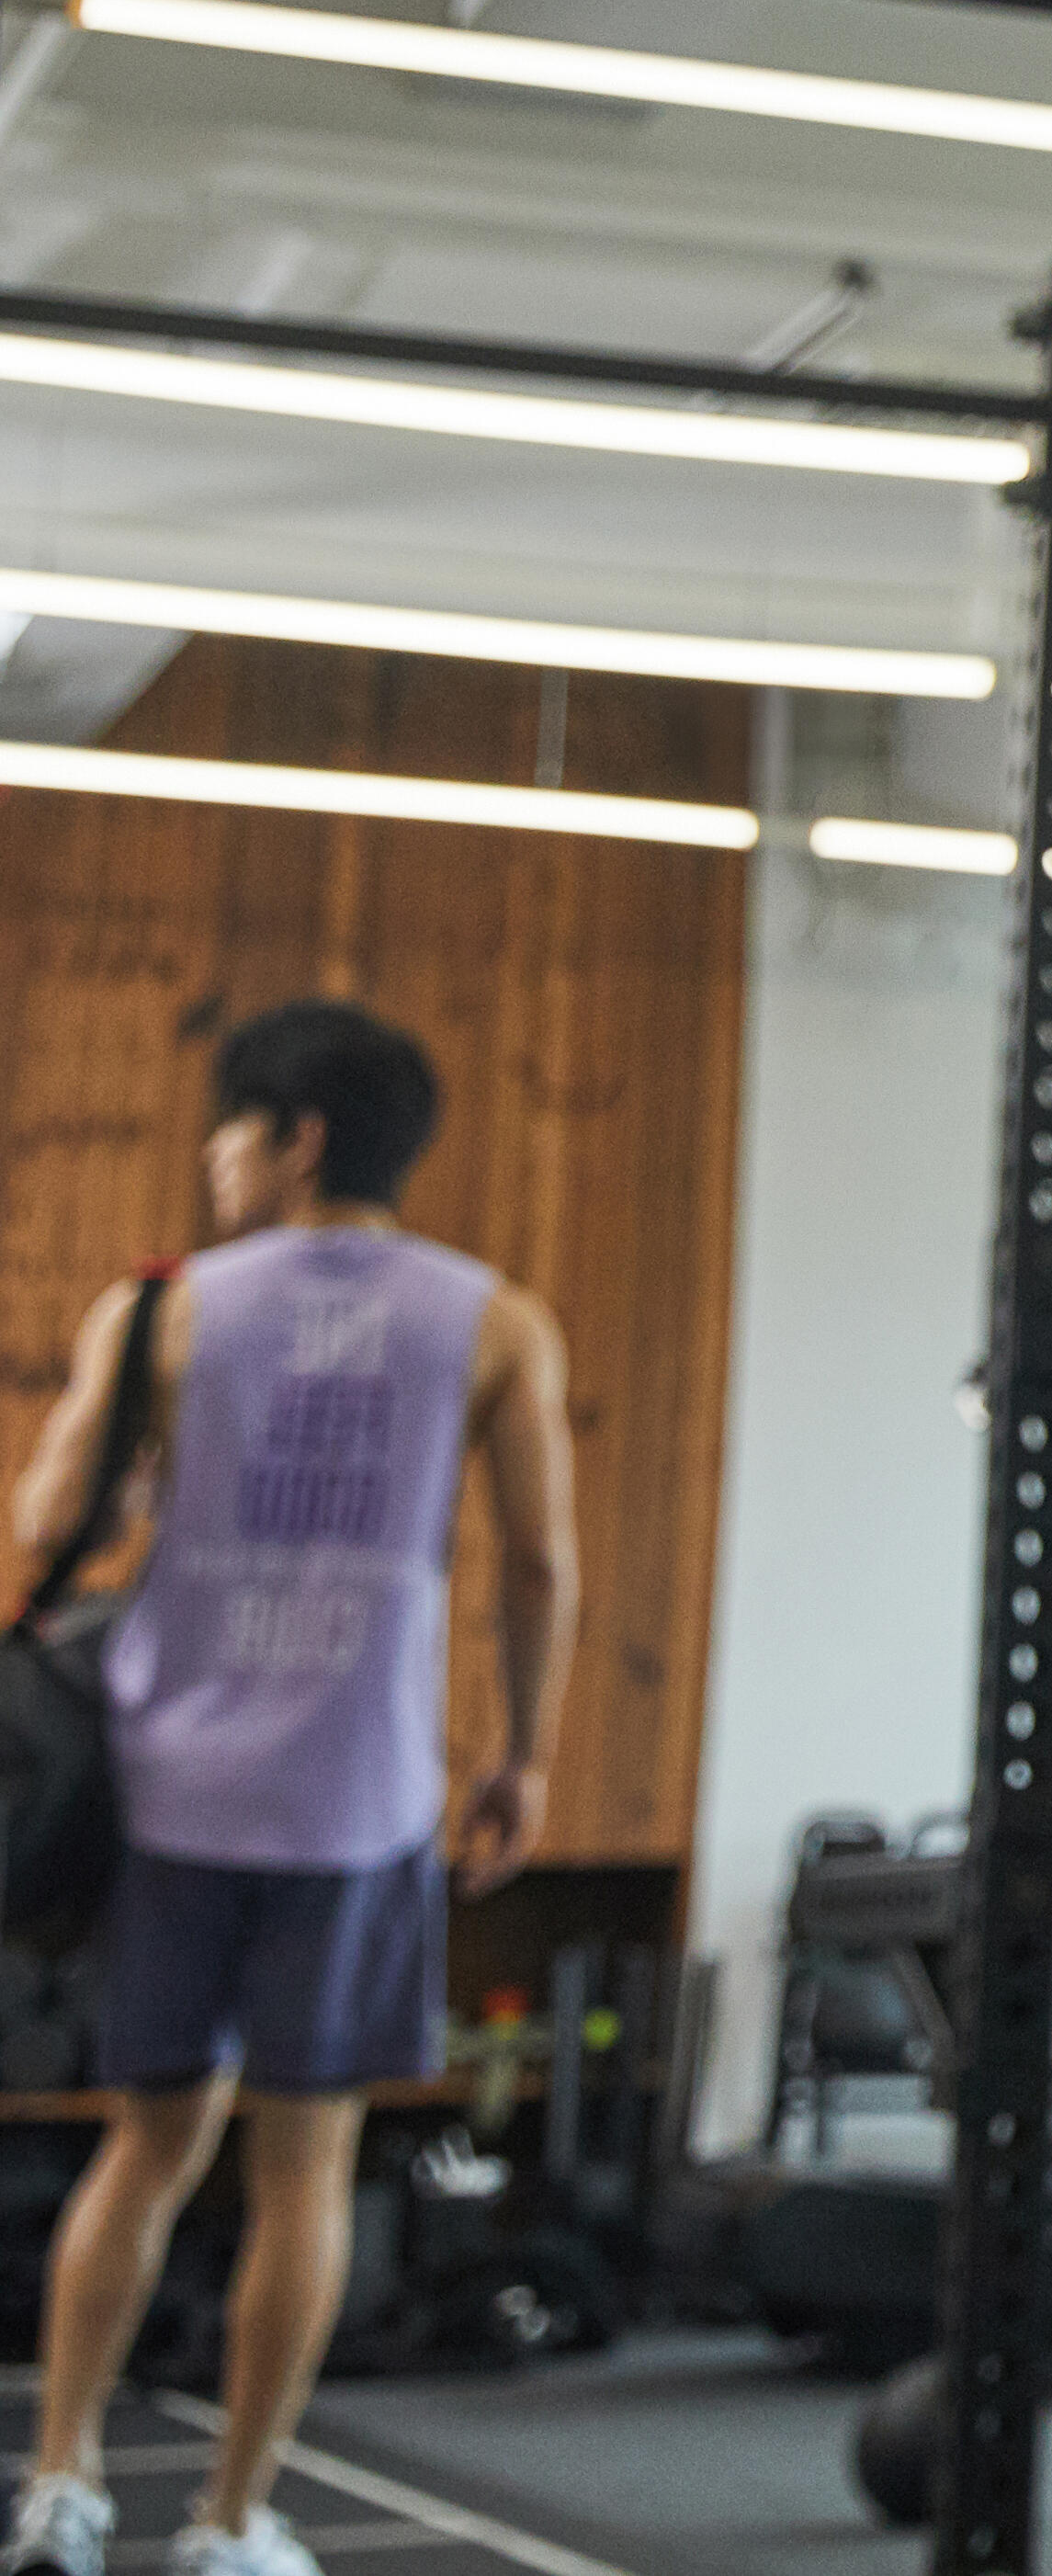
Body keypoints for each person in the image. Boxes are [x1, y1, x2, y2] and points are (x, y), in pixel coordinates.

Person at [0, 1002, 576, 2576]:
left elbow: (48, 1520)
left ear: (298, 1139)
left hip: (173, 1796)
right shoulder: (496, 1321)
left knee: (146, 2149)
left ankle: (62, 2486)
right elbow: (539, 1563)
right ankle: (234, 2520)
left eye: (231, 1132)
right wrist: (522, 1755)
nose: (215, 1161)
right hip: (356, 1802)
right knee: (303, 2170)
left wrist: (138, 1479)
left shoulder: (164, 1309)